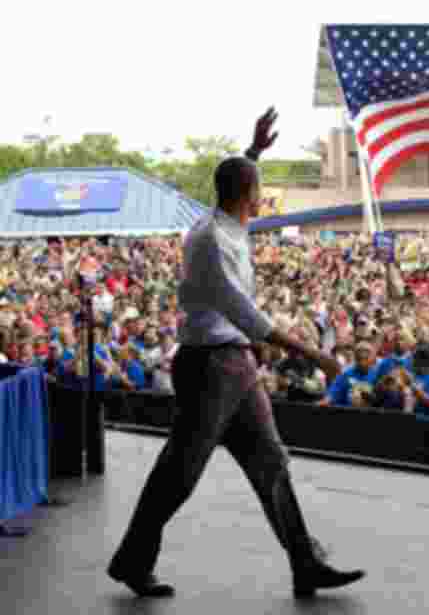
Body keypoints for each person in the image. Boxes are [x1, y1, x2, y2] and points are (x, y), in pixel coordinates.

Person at [107, 108, 364, 600]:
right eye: (258, 185)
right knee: (180, 471)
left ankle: (304, 562)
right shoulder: (210, 242)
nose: (263, 193)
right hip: (211, 367)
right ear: (247, 194)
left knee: (271, 462)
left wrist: (253, 152)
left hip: (235, 365)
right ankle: (133, 560)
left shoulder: (220, 223)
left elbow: (231, 189)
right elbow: (246, 314)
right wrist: (315, 355)